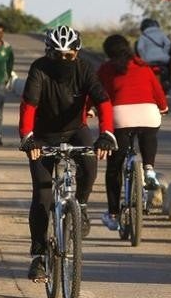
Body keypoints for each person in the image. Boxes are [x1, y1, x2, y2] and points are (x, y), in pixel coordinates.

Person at [18, 25, 118, 281]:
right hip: (42, 134)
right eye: (56, 55)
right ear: (48, 52)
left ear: (77, 53)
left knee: (90, 166)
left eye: (69, 55)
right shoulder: (39, 69)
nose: (63, 60)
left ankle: (81, 205)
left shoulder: (84, 69)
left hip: (76, 129)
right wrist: (28, 138)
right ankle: (39, 256)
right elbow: (28, 105)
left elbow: (103, 101)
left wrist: (107, 133)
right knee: (41, 194)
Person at [97, 34, 169, 231]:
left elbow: (97, 92)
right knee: (149, 133)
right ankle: (149, 169)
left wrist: (89, 109)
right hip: (148, 113)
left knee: (114, 167)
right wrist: (163, 107)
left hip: (120, 117)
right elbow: (158, 91)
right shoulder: (144, 66)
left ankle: (112, 214)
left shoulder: (106, 69)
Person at [135, 18, 171, 94]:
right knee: (169, 63)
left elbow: (138, 50)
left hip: (147, 64)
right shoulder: (162, 36)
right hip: (162, 64)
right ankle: (168, 81)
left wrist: (143, 58)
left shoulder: (141, 38)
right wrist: (165, 53)